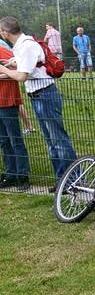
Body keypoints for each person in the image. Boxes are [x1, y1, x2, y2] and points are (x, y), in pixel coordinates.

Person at [0, 16, 77, 191]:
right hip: (38, 95)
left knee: (58, 139)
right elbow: (23, 68)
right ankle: (62, 181)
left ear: (5, 32)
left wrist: (4, 69)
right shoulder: (21, 45)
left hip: (45, 95)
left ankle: (73, 180)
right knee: (51, 141)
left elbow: (22, 76)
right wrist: (10, 66)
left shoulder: (26, 46)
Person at [0, 44, 30, 190]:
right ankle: (10, 174)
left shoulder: (4, 51)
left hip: (7, 101)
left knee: (15, 140)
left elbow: (18, 70)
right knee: (4, 141)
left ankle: (23, 176)